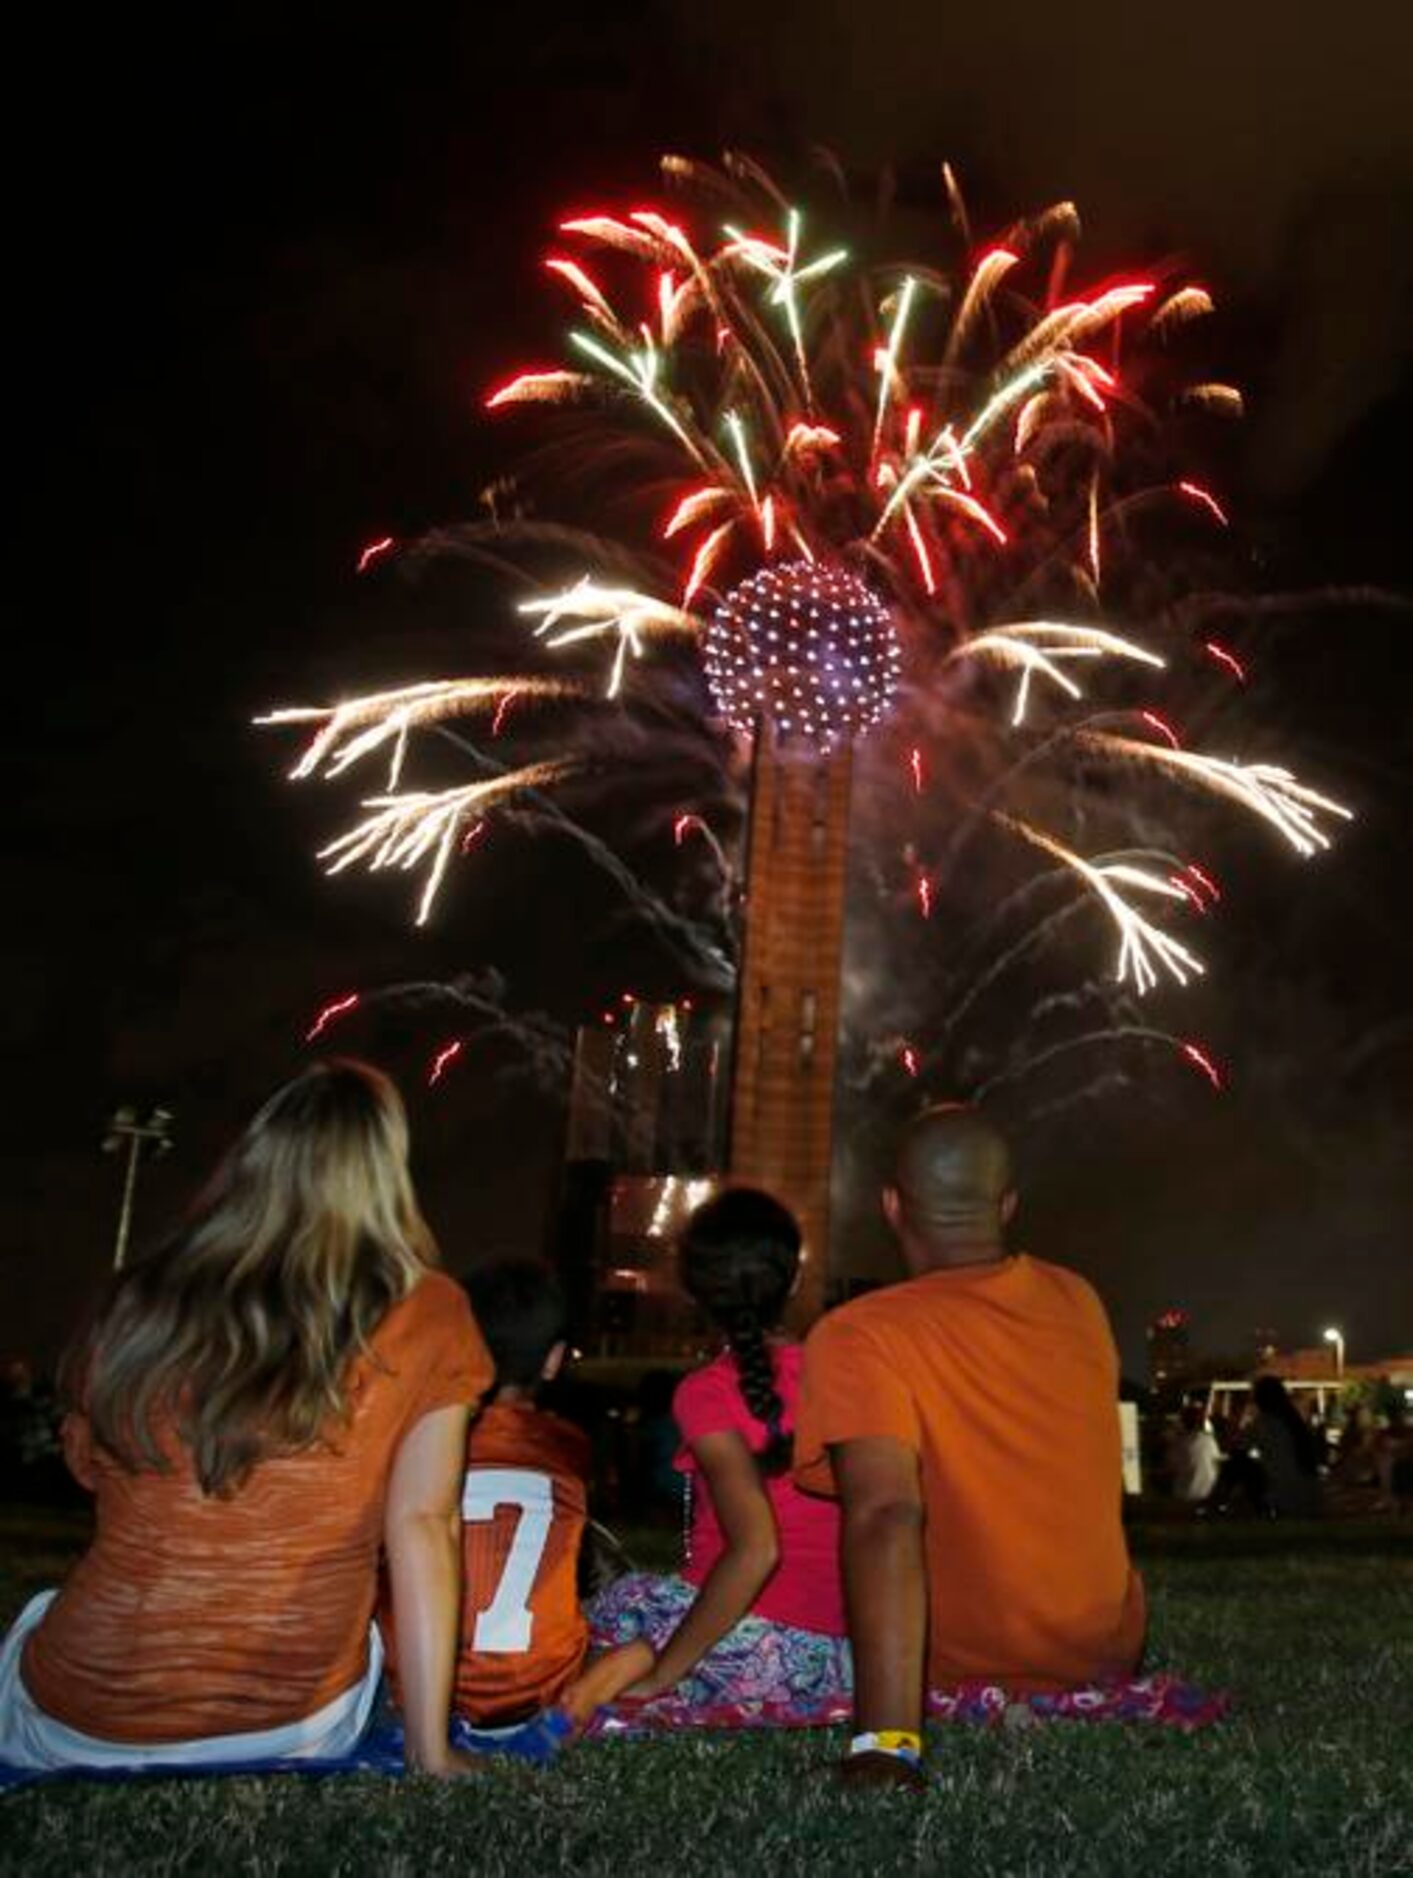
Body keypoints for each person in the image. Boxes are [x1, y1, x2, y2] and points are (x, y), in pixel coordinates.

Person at [0, 1060, 493, 1777]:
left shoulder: (143, 1296)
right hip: (291, 1724)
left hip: (83, 1719)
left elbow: (88, 1462)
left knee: (37, 1622)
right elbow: (422, 1525)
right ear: (385, 1170)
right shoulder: (430, 1313)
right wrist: (429, 1751)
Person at [795, 1104, 1144, 1787]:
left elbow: (885, 1515)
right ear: (1006, 1204)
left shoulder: (858, 1334)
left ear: (892, 1206)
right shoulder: (1078, 1300)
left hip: (962, 1667)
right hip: (1100, 1656)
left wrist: (886, 1743)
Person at [589, 1188, 850, 1712]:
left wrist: (663, 1671)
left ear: (692, 1293)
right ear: (795, 1279)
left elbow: (758, 1549)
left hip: (748, 1649)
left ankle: (628, 1671)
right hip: (840, 1662)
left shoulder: (707, 1392)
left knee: (610, 1607)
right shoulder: (845, 1372)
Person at [380, 1255, 648, 1728]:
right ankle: (585, 1692)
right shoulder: (569, 1445)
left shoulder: (415, 1439)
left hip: (417, 1692)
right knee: (641, 1637)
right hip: (538, 1688)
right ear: (553, 1360)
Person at [1250, 1376, 1322, 1517]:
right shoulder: (1294, 1422)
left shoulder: (1266, 1422)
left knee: (1241, 1466)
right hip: (1309, 1492)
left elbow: (1239, 1444)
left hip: (1284, 1492)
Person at [1168, 1402, 1222, 1504]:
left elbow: (1171, 1466)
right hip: (1208, 1494)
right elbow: (1217, 1464)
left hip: (1186, 1495)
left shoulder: (1181, 1443)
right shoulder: (1210, 1440)